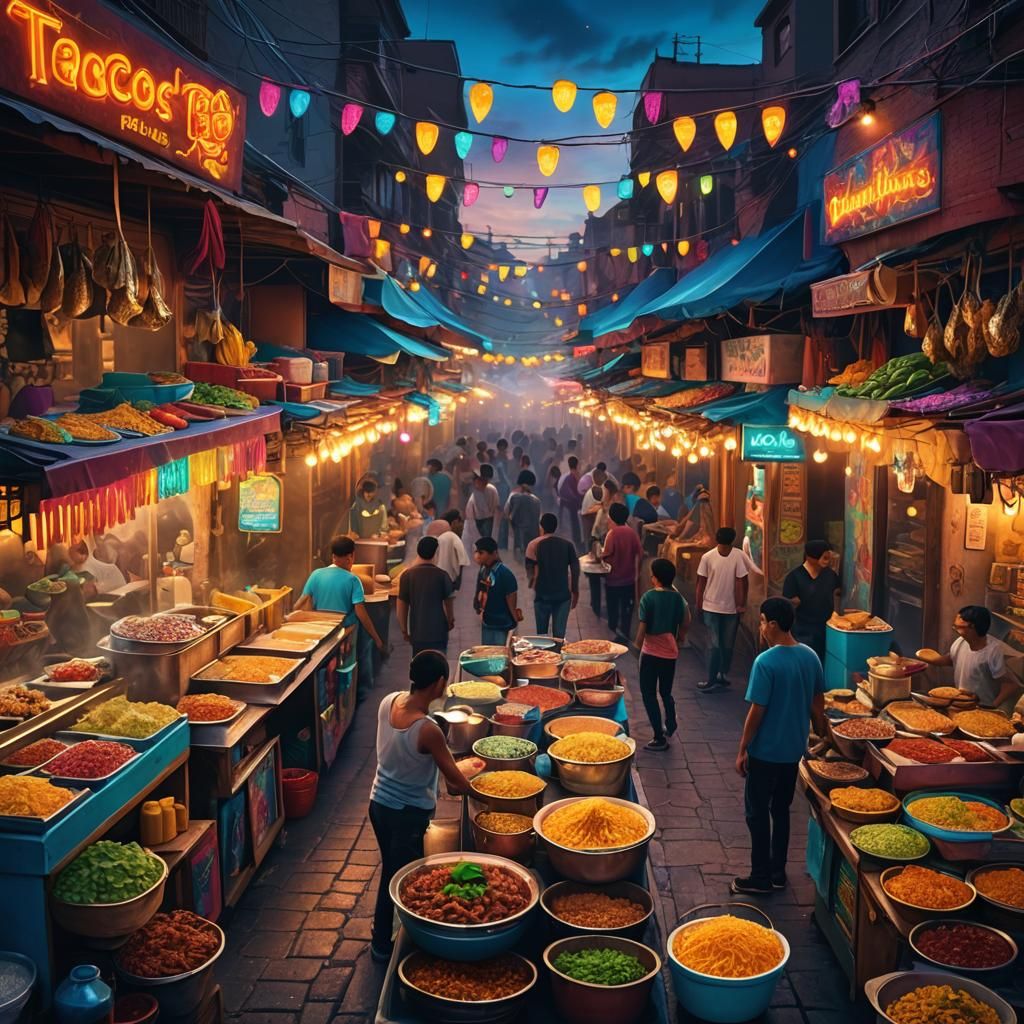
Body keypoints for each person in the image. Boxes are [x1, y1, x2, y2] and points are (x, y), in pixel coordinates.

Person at [369, 651, 472, 962]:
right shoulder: (427, 730)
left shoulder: (389, 701)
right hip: (407, 815)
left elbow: (402, 746)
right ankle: (388, 946)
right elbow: (457, 785)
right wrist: (471, 773)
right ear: (440, 683)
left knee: (391, 868)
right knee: (401, 879)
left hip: (378, 805)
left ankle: (389, 938)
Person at [733, 598, 826, 894]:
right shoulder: (810, 656)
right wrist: (822, 732)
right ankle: (777, 872)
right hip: (792, 752)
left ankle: (759, 876)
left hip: (765, 752)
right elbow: (817, 703)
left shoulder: (766, 661)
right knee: (781, 810)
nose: (760, 627)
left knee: (757, 813)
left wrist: (743, 748)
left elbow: (756, 711)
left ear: (773, 624)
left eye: (761, 621)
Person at [296, 537, 386, 695]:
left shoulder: (316, 574)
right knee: (357, 656)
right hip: (345, 634)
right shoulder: (352, 580)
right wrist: (377, 639)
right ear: (350, 557)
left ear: (333, 556)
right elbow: (361, 612)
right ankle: (361, 692)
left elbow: (301, 604)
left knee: (326, 672)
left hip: (321, 633)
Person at [917, 606, 1021, 712]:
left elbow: (1011, 685)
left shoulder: (993, 651)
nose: (954, 628)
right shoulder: (961, 642)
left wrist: (992, 706)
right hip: (962, 705)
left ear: (972, 626)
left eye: (957, 626)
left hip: (983, 709)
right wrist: (931, 660)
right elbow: (951, 659)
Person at [635, 558, 690, 751]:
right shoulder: (677, 597)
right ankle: (671, 720)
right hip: (670, 653)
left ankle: (659, 736)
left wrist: (636, 647)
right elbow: (686, 619)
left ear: (655, 578)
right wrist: (680, 638)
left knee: (648, 693)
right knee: (665, 691)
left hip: (650, 652)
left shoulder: (648, 598)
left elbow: (642, 628)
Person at [695, 527, 749, 692]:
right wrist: (699, 604)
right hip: (712, 606)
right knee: (716, 644)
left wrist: (740, 604)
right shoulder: (708, 557)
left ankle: (721, 675)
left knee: (725, 644)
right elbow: (742, 582)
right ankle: (713, 677)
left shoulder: (737, 556)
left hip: (728, 608)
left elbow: (700, 583)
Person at [782, 540, 841, 662]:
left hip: (827, 629)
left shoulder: (830, 575)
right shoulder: (794, 577)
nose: (827, 560)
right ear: (809, 557)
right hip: (802, 630)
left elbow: (837, 594)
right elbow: (790, 603)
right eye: (823, 556)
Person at [397, 536, 455, 655]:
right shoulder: (442, 575)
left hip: (418, 632)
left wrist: (404, 629)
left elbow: (402, 605)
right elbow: (449, 601)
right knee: (439, 663)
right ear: (435, 553)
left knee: (420, 664)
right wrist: (450, 619)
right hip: (439, 631)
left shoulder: (407, 576)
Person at [526, 513, 580, 638]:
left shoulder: (534, 545)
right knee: (559, 637)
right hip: (562, 595)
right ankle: (557, 656)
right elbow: (575, 569)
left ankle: (543, 657)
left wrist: (533, 582)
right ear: (556, 527)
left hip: (542, 595)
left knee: (541, 636)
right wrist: (575, 591)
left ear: (541, 527)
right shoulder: (567, 545)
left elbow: (529, 568)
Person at [602, 502, 643, 641]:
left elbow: (606, 554)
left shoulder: (612, 534)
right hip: (629, 580)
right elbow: (640, 552)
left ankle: (613, 631)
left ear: (612, 517)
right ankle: (625, 633)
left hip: (613, 581)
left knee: (613, 608)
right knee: (627, 609)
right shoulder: (632, 532)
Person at [473, 537, 522, 644]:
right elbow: (480, 590)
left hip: (502, 625)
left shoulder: (504, 573)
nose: (477, 556)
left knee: (501, 655)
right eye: (476, 552)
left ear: (493, 553)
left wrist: (514, 622)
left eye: (481, 552)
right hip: (487, 622)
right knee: (488, 655)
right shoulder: (483, 570)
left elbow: (511, 599)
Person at [505, 470, 542, 561]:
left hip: (517, 535)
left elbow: (507, 513)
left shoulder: (513, 496)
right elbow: (539, 519)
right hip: (533, 536)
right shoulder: (536, 500)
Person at [430, 510, 470, 591]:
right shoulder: (453, 536)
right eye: (461, 523)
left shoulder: (438, 537)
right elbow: (463, 560)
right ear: (454, 523)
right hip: (451, 579)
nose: (462, 527)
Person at [466, 466, 500, 539]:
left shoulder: (491, 489)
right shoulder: (475, 491)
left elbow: (495, 504)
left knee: (485, 538)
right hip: (478, 518)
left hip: (486, 517)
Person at [558, 455, 584, 552]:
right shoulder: (570, 478)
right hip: (570, 508)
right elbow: (572, 494)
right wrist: (579, 500)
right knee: (572, 530)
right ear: (577, 465)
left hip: (570, 507)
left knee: (575, 528)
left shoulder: (569, 477)